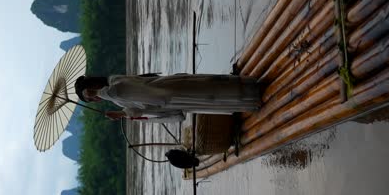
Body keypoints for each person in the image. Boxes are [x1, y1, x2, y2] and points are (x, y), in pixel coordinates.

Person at [75, 74, 262, 123]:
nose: (95, 98)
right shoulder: (114, 95)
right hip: (171, 96)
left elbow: (149, 97)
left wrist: (100, 94)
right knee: (209, 97)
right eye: (91, 100)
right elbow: (140, 108)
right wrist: (121, 114)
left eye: (91, 94)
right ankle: (250, 97)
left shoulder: (115, 85)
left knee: (210, 93)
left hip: (172, 91)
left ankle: (251, 91)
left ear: (93, 85)